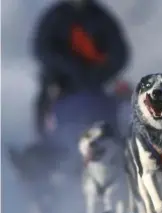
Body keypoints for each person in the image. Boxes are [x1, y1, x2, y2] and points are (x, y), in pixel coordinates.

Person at [31, 0, 130, 138]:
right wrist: (66, 69)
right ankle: (46, 143)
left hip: (97, 84)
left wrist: (100, 73)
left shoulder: (100, 17)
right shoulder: (55, 17)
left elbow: (119, 53)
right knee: (49, 100)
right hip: (62, 84)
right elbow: (42, 50)